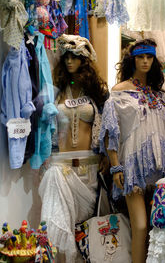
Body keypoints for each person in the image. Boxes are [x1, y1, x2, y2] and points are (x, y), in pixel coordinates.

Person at [38, 34, 109, 262]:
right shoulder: (56, 92)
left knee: (84, 227)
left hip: (89, 168)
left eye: (75, 57)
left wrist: (107, 156)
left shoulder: (96, 94)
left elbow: (108, 129)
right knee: (59, 224)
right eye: (66, 57)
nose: (69, 61)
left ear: (84, 61)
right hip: (61, 167)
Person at [100, 39, 165, 263]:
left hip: (158, 166)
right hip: (132, 166)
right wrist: (115, 167)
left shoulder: (158, 94)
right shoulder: (119, 92)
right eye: (141, 57)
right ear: (132, 59)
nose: (145, 61)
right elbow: (111, 131)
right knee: (140, 226)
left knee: (156, 226)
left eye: (149, 57)